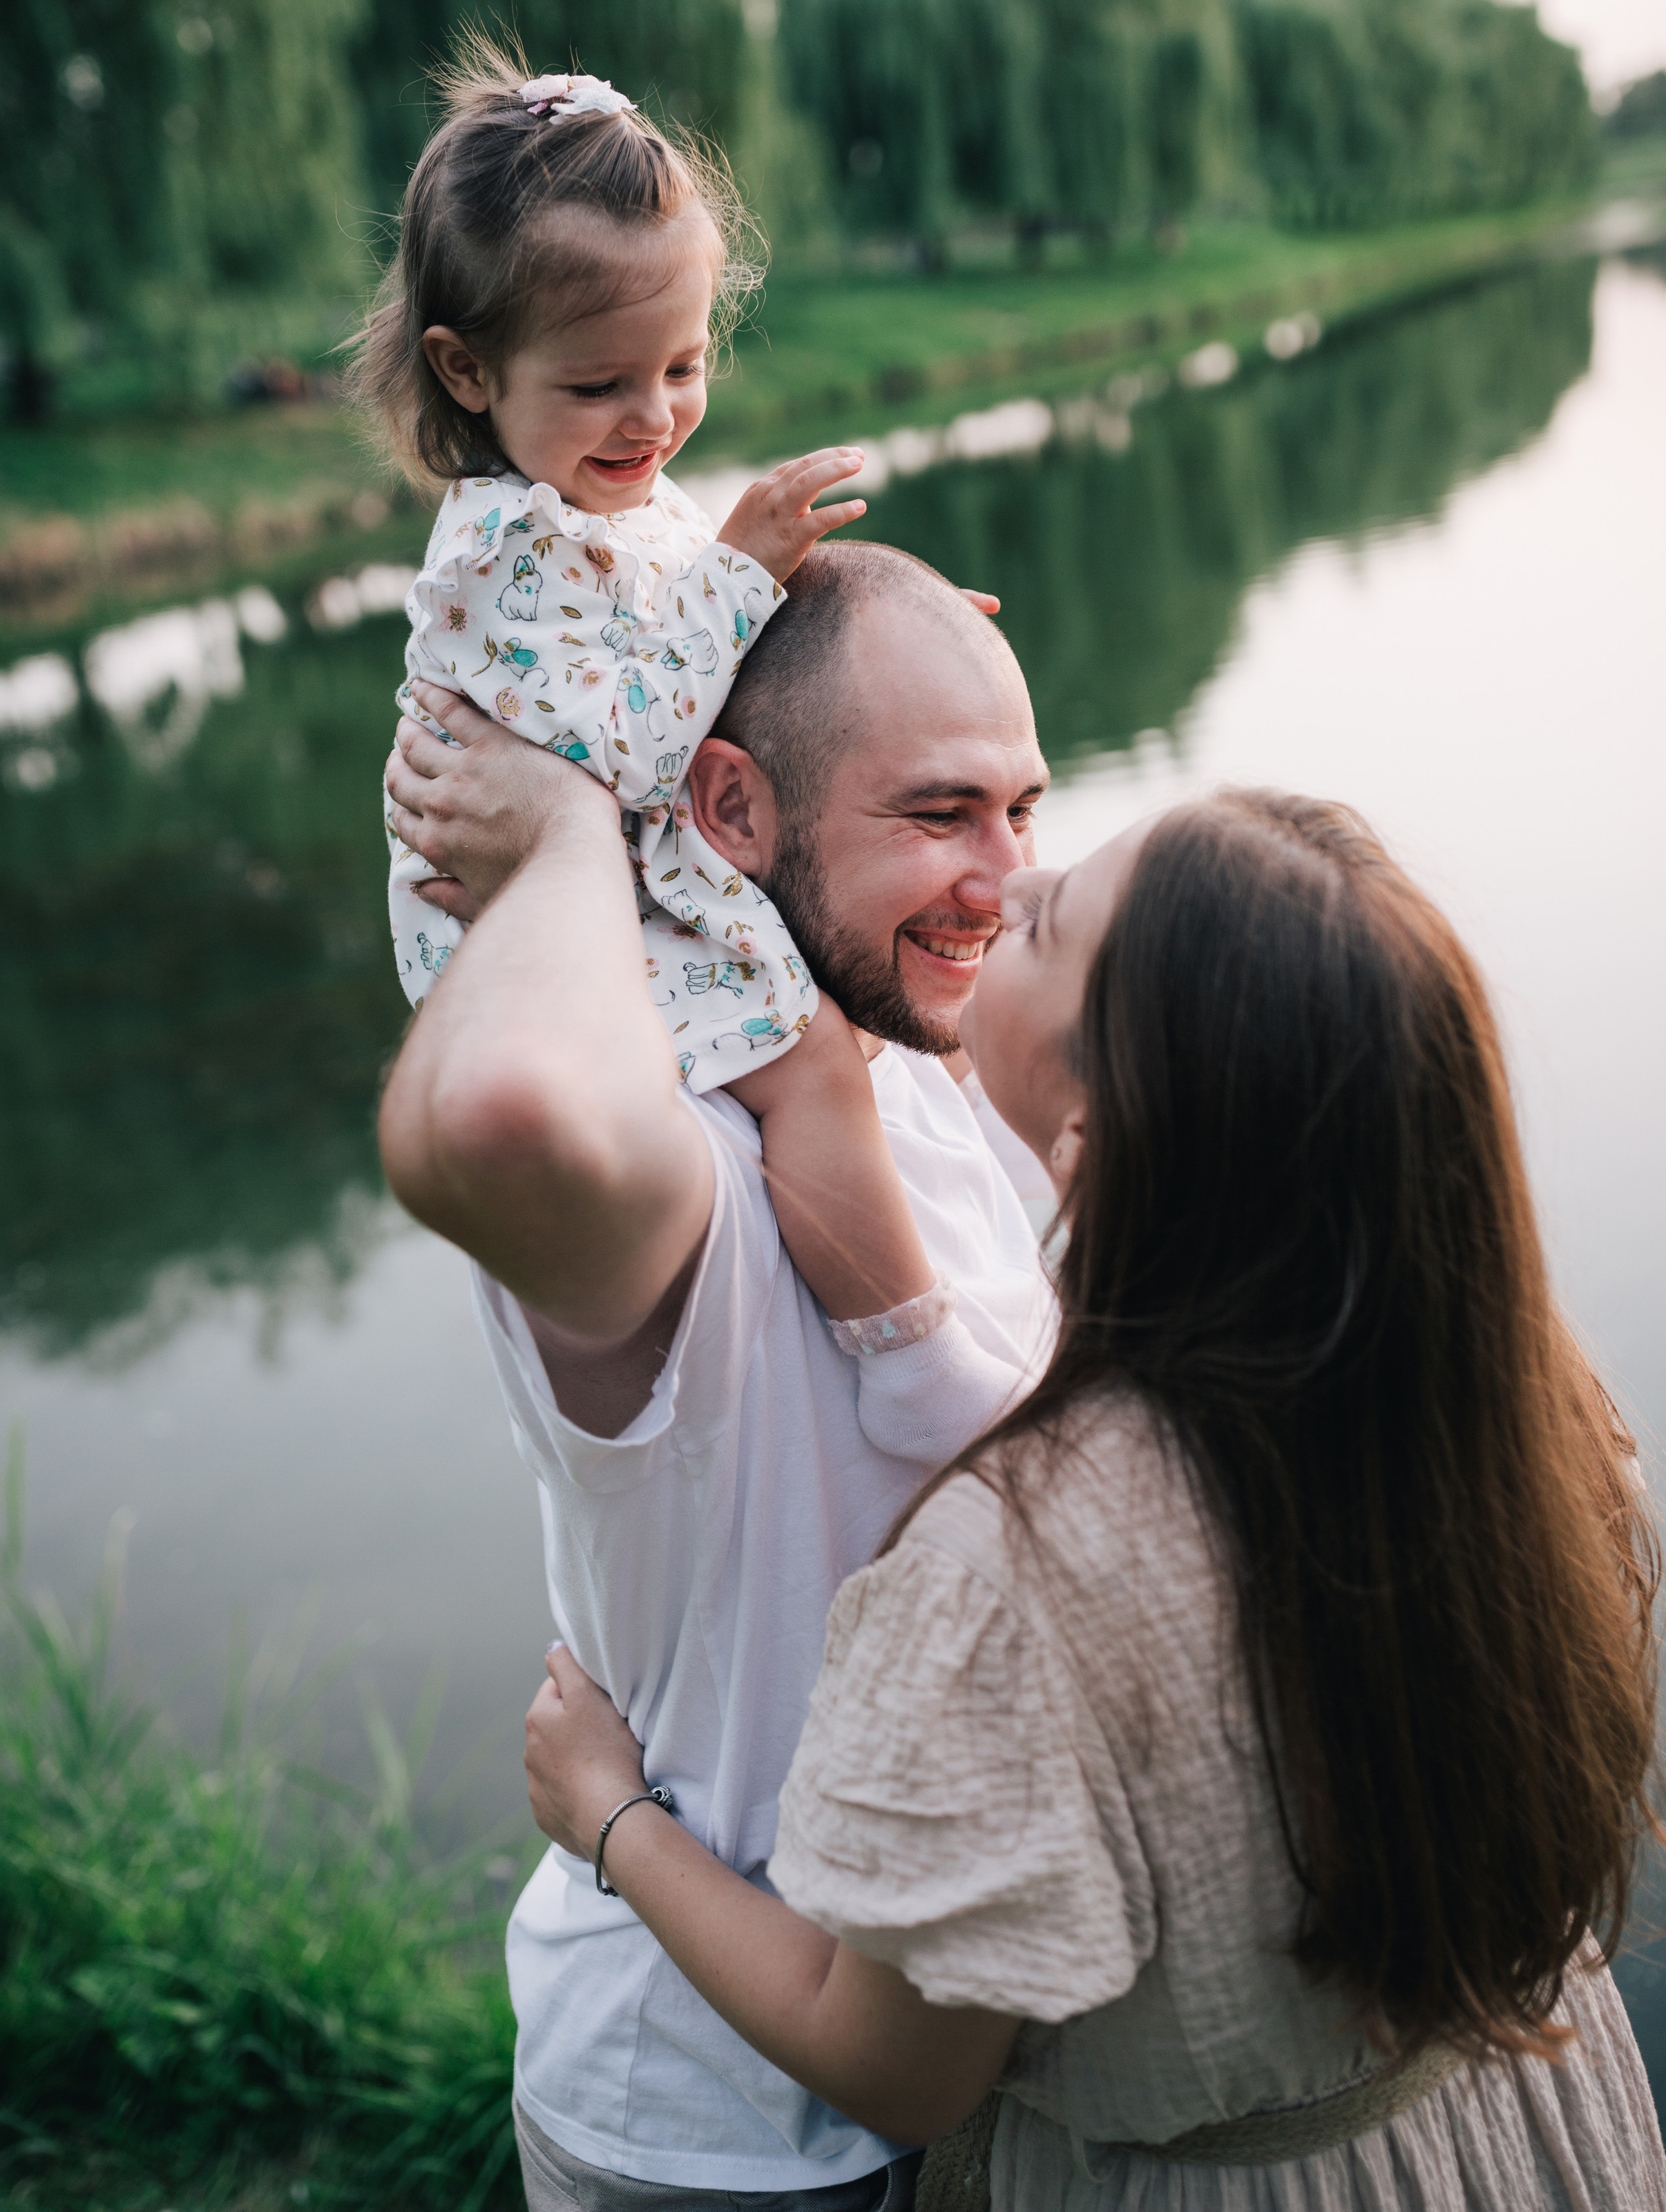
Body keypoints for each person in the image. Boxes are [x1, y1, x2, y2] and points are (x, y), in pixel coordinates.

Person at [524, 790, 1666, 2211]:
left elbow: (891, 2069)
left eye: (1048, 920)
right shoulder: (1535, 1415)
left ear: (1094, 1147)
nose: (1011, 877)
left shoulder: (1006, 1581)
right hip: (1521, 2132)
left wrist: (611, 1815)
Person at [379, 541, 1056, 2205]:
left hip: (964, 2083)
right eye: (937, 812)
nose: (1003, 878)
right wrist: (560, 842)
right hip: (718, 2138)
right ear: (731, 816)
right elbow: (493, 1119)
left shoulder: (917, 1060)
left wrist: (832, 643)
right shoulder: (686, 1177)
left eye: (1021, 808)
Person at [360, 41, 1021, 1457]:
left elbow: (709, 651)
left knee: (857, 1042)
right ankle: (904, 1353)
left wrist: (874, 639)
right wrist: (735, 580)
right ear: (465, 370)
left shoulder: (603, 500)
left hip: (649, 866)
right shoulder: (505, 551)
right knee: (804, 1061)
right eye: (601, 383)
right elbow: (619, 757)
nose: (652, 418)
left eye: (683, 364)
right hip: (568, 927)